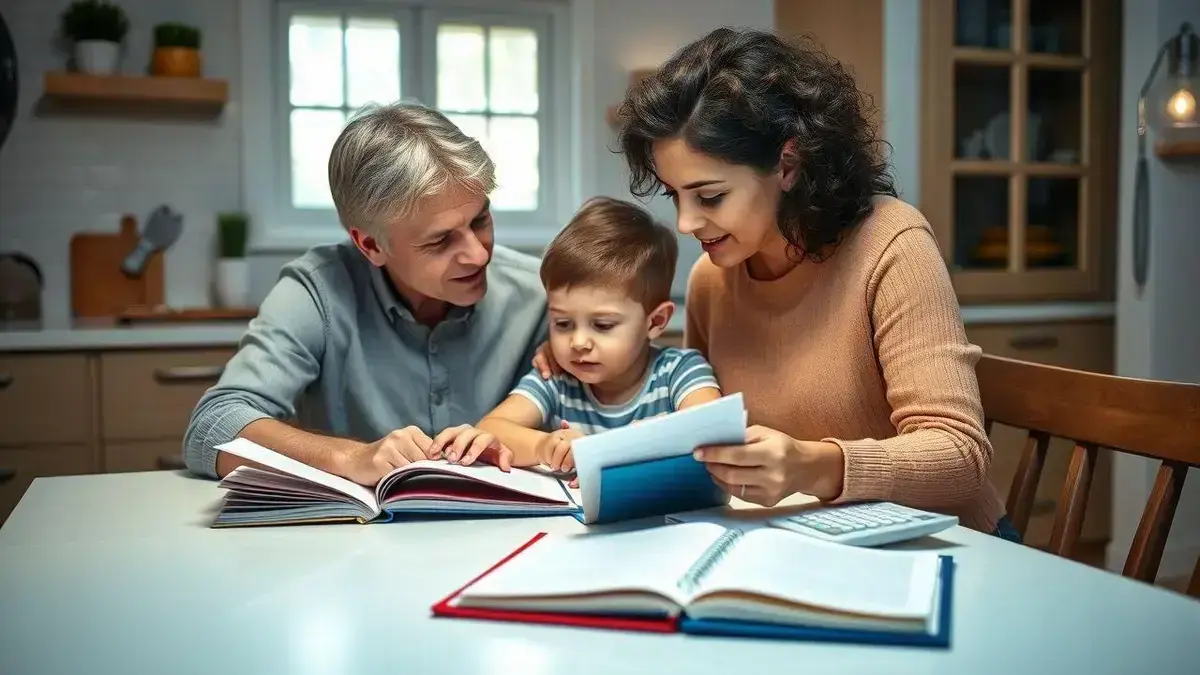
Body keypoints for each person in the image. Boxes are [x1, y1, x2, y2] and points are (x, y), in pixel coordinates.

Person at [534, 28, 1018, 541]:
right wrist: (569, 355)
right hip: (802, 542)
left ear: (788, 164)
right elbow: (694, 420)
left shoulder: (891, 245)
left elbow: (959, 456)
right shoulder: (710, 280)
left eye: (710, 197)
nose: (685, 223)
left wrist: (811, 466)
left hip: (944, 545)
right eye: (675, 195)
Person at [183, 101, 546, 486]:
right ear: (370, 245)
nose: (478, 254)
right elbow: (213, 426)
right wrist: (351, 457)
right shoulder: (318, 292)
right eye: (440, 241)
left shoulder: (540, 294)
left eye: (481, 219)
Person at [478, 197, 722, 481]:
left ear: (655, 322)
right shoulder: (557, 380)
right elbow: (489, 430)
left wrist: (636, 444)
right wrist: (544, 445)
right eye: (563, 323)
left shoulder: (679, 371)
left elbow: (711, 429)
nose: (579, 342)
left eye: (603, 325)